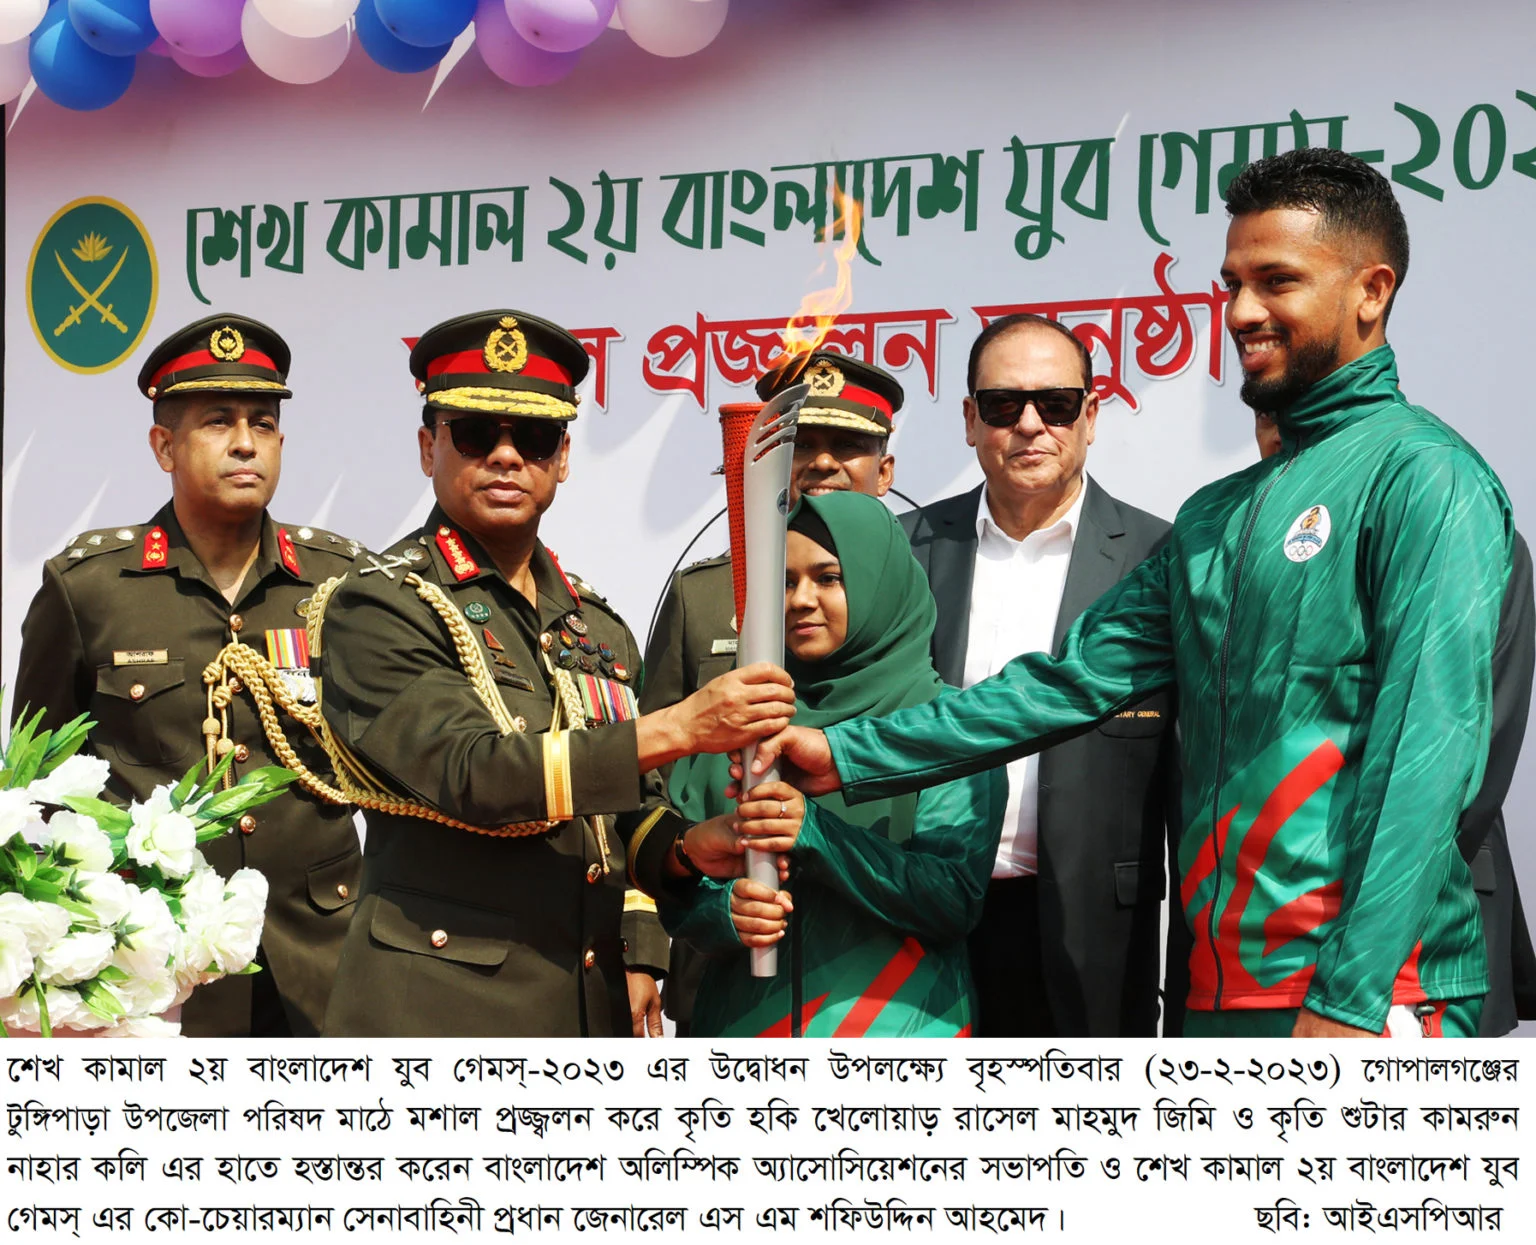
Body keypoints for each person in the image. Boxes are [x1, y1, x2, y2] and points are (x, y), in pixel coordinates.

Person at [753, 148, 1513, 1039]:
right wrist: (844, 751)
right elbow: (1063, 684)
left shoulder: (1427, 478)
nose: (1241, 312)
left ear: (1371, 292)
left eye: (1277, 281)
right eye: (1232, 284)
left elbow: (1427, 754)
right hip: (1219, 997)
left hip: (1371, 1000)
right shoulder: (1219, 514)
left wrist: (1351, 995)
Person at [313, 309, 795, 1037]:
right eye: (477, 434)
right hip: (437, 1009)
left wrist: (687, 848)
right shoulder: (382, 602)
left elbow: (626, 813)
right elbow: (476, 774)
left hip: (583, 1003)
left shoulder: (594, 624)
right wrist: (684, 726)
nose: (507, 456)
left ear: (562, 457)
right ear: (427, 446)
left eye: (534, 437)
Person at [12, 313, 365, 1037]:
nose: (245, 442)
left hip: (320, 960)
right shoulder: (89, 586)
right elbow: (36, 785)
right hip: (154, 968)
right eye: (217, 421)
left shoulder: (342, 583)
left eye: (263, 423)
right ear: (164, 446)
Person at [901, 313, 1179, 1037]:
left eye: (1055, 404)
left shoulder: (1160, 557)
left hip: (1097, 934)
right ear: (970, 420)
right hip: (920, 920)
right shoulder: (906, 551)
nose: (1030, 425)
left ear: (1091, 416)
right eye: (1003, 405)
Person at [659, 492, 1004, 1036]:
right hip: (744, 1031)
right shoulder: (741, 718)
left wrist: (816, 834)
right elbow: (678, 882)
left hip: (899, 1038)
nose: (801, 600)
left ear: (881, 585)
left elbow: (950, 900)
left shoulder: (944, 726)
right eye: (785, 582)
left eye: (828, 578)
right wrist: (726, 912)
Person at [641, 348, 904, 1034]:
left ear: (885, 470)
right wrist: (641, 943)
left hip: (879, 975)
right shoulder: (705, 596)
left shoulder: (920, 589)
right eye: (801, 443)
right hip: (727, 960)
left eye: (846, 444)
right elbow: (644, 784)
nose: (821, 463)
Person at [1256, 415, 1536, 1036]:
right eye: (1270, 419)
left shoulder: (1460, 523)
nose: (1283, 437)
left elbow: (1475, 744)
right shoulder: (1243, 547)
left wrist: (1390, 882)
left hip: (1435, 917)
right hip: (1271, 931)